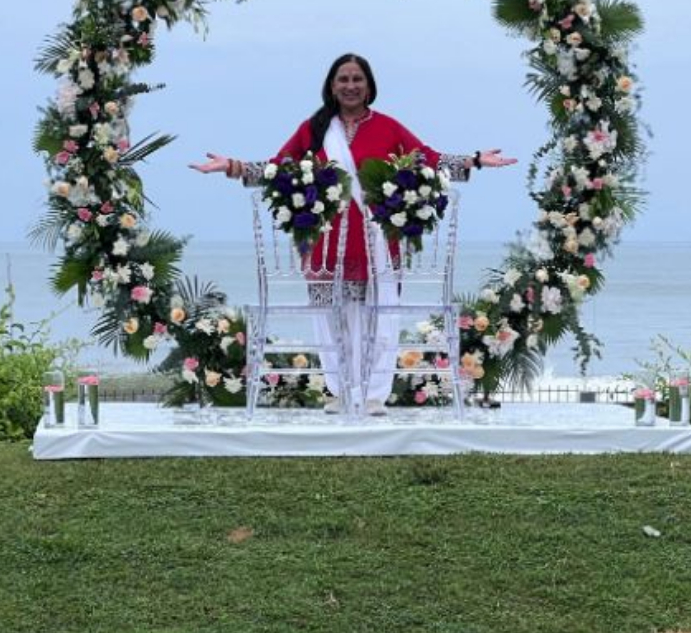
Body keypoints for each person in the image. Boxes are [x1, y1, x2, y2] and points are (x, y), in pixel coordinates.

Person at [191, 53, 516, 415]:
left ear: (369, 85)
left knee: (379, 315)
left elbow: (427, 158)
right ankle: (339, 390)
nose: (350, 86)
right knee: (330, 317)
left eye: (357, 79)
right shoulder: (314, 129)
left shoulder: (389, 127)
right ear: (332, 85)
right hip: (325, 242)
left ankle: (375, 393)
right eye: (343, 79)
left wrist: (473, 160)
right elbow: (276, 168)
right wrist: (232, 167)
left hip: (377, 239)